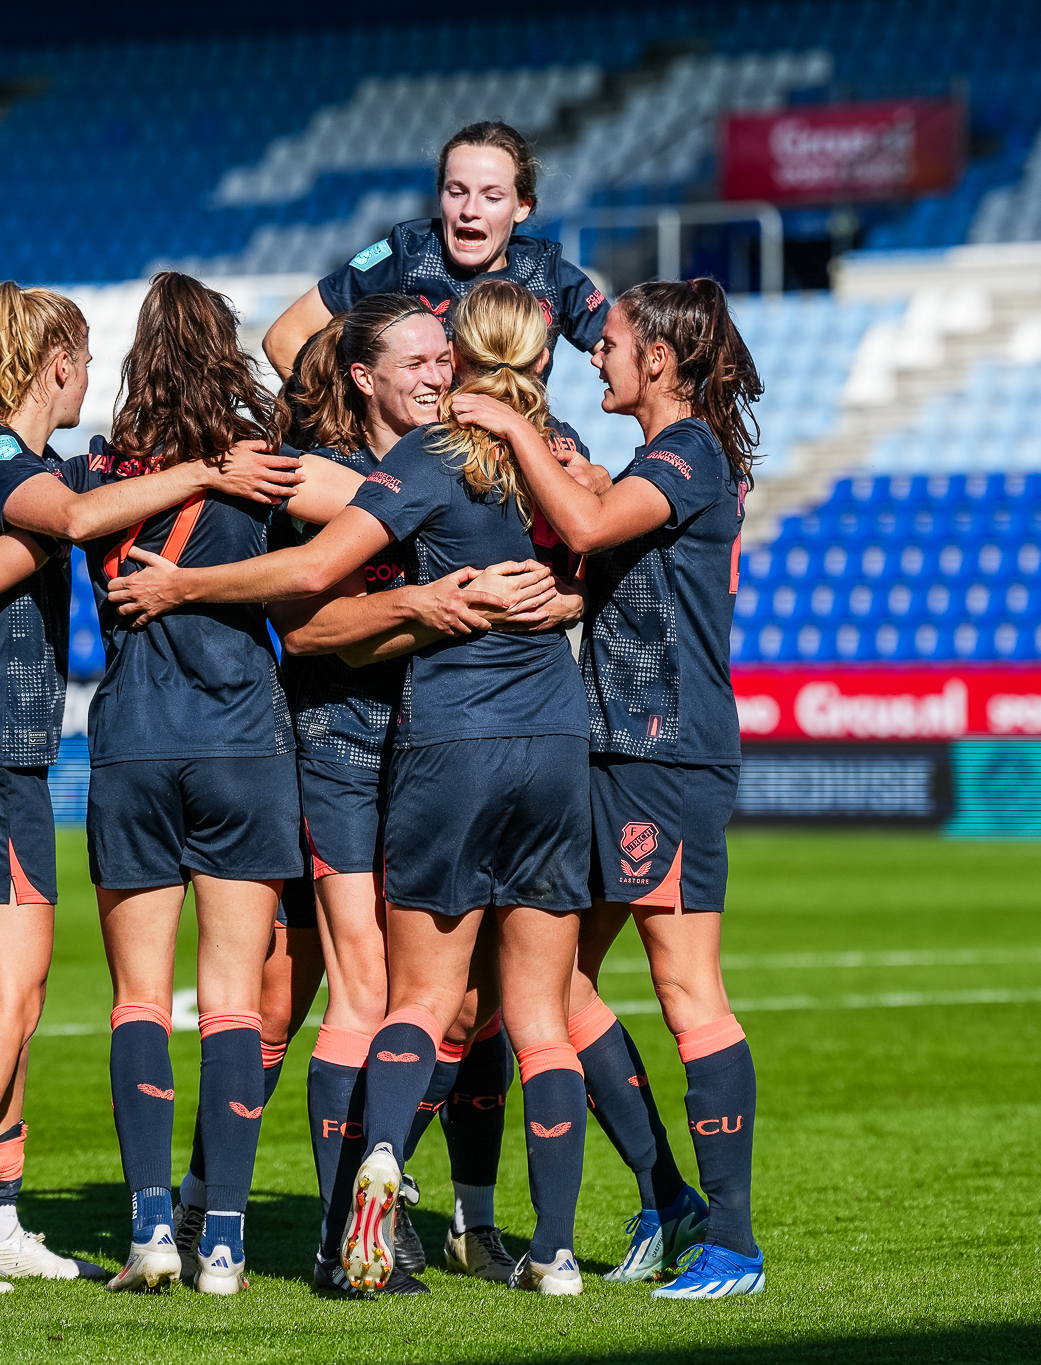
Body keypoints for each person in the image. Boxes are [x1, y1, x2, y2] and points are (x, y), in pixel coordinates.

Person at [107, 279, 598, 1296]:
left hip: (435, 742)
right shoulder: (320, 475)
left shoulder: (488, 459)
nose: (435, 374)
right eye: (416, 361)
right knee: (348, 989)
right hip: (338, 742)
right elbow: (309, 623)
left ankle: (459, 1216)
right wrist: (427, 602)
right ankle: (332, 1235)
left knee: (468, 1007)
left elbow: (583, 554)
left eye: (443, 357)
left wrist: (544, 593)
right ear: (364, 379)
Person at [0, 280, 305, 1296]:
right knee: (23, 995)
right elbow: (70, 523)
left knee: (56, 997)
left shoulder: (56, 466)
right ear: (57, 361)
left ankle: (12, 1214)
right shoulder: (10, 460)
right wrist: (211, 467)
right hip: (6, 749)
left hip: (63, 748)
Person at [46, 272, 377, 1296]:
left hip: (134, 742)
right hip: (243, 741)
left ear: (136, 357)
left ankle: (150, 1228)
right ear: (225, 347)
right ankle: (224, 1241)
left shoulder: (100, 471)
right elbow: (355, 523)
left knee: (137, 997)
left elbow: (66, 522)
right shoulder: (261, 462)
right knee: (235, 1001)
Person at [452, 276, 767, 1300]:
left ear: (659, 361)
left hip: (663, 753)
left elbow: (588, 538)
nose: (597, 354)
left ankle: (731, 1245)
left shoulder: (687, 452)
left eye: (614, 341)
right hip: (611, 747)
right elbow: (601, 555)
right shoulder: (657, 458)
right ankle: (667, 1198)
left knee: (688, 993)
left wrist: (512, 424)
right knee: (545, 985)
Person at [262, 120, 609, 381]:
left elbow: (629, 358)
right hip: (411, 468)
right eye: (456, 191)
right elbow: (284, 338)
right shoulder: (403, 256)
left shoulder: (551, 275)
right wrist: (343, 427)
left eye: (492, 197)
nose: (470, 209)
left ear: (522, 207)